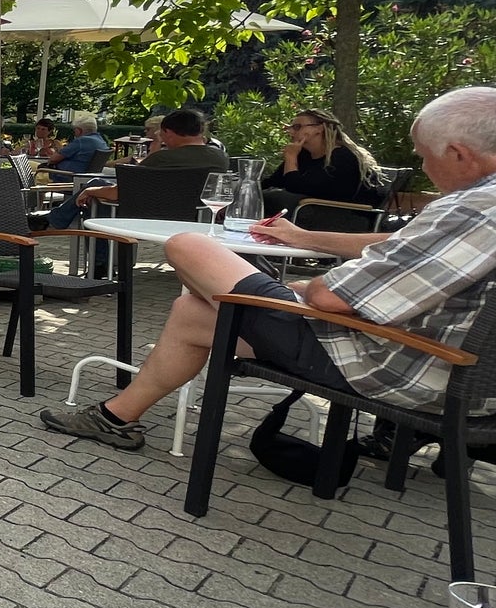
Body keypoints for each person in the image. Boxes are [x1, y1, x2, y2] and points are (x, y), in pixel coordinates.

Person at [40, 86, 496, 458]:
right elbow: (398, 245)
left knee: (189, 246)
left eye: (422, 156)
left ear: (459, 154)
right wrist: (304, 239)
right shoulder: (482, 206)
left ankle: (120, 412)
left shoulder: (475, 207)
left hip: (393, 368)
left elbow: (332, 300)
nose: (422, 167)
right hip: (449, 369)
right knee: (193, 310)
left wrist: (300, 288)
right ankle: (116, 417)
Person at [51, 106, 229, 230]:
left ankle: (101, 264)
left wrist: (90, 190)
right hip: (196, 216)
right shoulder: (220, 157)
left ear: (169, 133)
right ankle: (55, 219)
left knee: (96, 191)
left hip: (147, 216)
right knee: (97, 185)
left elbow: (121, 192)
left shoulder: (163, 158)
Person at [262, 106, 388, 212]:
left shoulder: (342, 157)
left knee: (276, 198)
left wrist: (290, 158)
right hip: (311, 210)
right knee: (262, 196)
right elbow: (273, 182)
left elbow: (296, 188)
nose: (291, 132)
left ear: (319, 128)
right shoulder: (303, 155)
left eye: (297, 127)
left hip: (345, 215)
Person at [46, 111, 110, 179]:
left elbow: (53, 160)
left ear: (79, 130)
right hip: (85, 178)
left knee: (33, 170)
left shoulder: (81, 141)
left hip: (63, 176)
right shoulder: (101, 141)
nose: (74, 133)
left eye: (74, 130)